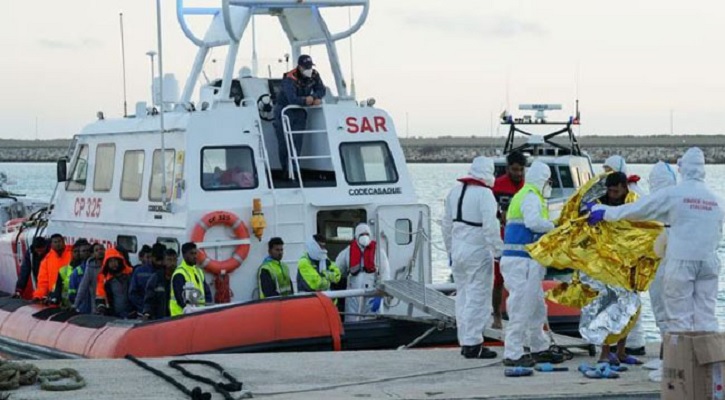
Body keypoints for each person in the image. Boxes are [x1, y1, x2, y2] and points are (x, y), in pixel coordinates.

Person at [590, 147, 724, 334]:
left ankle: (678, 362)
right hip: (709, 262)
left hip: (681, 260)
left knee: (678, 318)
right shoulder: (716, 199)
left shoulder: (674, 194)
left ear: (683, 169)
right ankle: (710, 362)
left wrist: (605, 212)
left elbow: (638, 210)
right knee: (707, 317)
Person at [501, 160, 561, 367]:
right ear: (542, 179)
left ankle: (539, 346)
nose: (550, 185)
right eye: (549, 181)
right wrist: (554, 226)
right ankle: (513, 352)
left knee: (536, 307)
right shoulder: (531, 197)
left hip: (527, 261)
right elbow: (533, 223)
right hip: (522, 262)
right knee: (520, 307)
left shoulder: (527, 195)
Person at [441, 156, 503, 359]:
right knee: (479, 297)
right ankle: (474, 343)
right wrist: (498, 252)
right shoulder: (485, 194)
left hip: (457, 250)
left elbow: (446, 225)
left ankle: (465, 340)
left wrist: (450, 251)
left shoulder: (454, 191)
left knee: (463, 297)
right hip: (477, 251)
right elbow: (490, 227)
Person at [589, 172, 642, 365]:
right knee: (607, 307)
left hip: (628, 261)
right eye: (609, 191)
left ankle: (620, 351)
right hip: (607, 263)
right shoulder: (600, 202)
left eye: (616, 191)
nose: (612, 195)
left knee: (628, 307)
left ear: (624, 187)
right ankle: (604, 353)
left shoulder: (633, 202)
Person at [641, 161, 678, 381]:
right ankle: (666, 358)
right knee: (663, 312)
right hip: (662, 262)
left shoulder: (662, 202)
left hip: (667, 264)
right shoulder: (673, 199)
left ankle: (671, 363)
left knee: (667, 313)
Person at [273, 54, 326, 178]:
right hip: (284, 111)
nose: (309, 70)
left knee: (297, 142)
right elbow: (292, 98)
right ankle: (286, 171)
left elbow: (321, 90)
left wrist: (314, 98)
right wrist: (305, 100)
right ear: (300, 67)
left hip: (299, 112)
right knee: (284, 143)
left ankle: (295, 171)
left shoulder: (314, 75)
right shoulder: (289, 78)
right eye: (306, 67)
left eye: (310, 66)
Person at [491, 151, 526, 329]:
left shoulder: (527, 187)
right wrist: (499, 215)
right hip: (501, 236)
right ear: (507, 168)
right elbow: (488, 210)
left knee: (519, 279)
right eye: (514, 169)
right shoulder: (496, 186)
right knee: (498, 279)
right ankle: (496, 315)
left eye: (521, 170)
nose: (518, 173)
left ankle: (516, 317)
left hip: (521, 240)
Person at [335, 223, 390, 322]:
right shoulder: (347, 252)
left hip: (373, 290)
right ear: (356, 236)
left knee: (373, 318)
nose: (364, 236)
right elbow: (337, 269)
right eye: (361, 234)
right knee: (352, 317)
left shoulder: (379, 252)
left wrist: (381, 294)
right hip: (353, 290)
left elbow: (385, 273)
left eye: (367, 234)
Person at [170, 242, 212, 317]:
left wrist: (208, 309)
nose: (195, 256)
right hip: (181, 316)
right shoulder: (179, 273)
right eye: (192, 254)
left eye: (195, 253)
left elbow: (207, 293)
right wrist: (189, 311)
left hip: (198, 315)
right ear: (184, 255)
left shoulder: (199, 272)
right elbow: (180, 298)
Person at [95, 247, 135, 318]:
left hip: (131, 314)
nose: (113, 264)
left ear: (119, 261)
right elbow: (100, 296)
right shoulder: (104, 279)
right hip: (113, 316)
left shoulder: (130, 274)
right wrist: (101, 308)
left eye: (115, 260)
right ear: (107, 263)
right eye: (110, 261)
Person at [49, 239, 90, 308]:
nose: (77, 254)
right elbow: (56, 290)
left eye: (80, 251)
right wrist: (54, 298)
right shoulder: (63, 271)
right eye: (75, 251)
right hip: (67, 309)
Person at [33, 234, 72, 301]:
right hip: (54, 297)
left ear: (63, 241)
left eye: (59, 241)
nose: (58, 244)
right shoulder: (46, 260)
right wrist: (38, 296)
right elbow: (43, 283)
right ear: (51, 244)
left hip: (72, 295)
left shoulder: (72, 254)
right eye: (55, 242)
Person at [142, 246, 176, 320]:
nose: (172, 263)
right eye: (169, 260)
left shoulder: (179, 277)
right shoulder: (155, 278)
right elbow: (149, 299)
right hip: (159, 319)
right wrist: (147, 312)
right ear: (163, 261)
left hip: (176, 319)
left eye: (174, 260)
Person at [73, 243, 105, 314]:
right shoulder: (90, 268)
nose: (100, 251)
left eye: (102, 249)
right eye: (96, 250)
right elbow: (82, 287)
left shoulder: (110, 266)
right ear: (93, 254)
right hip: (96, 307)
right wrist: (75, 305)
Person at [128, 245, 158, 312]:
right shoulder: (138, 272)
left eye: (151, 257)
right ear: (141, 258)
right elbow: (132, 293)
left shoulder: (157, 270)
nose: (149, 260)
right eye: (147, 257)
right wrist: (144, 306)